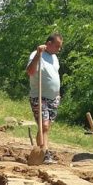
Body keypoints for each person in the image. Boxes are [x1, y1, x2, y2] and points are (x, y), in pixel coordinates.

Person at [25, 33, 63, 163]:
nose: (59, 49)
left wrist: (57, 94)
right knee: (44, 125)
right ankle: (45, 153)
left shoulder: (55, 58)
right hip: (39, 96)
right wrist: (38, 54)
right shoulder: (36, 55)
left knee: (45, 127)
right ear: (49, 44)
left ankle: (42, 152)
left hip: (54, 98)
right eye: (57, 46)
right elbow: (30, 71)